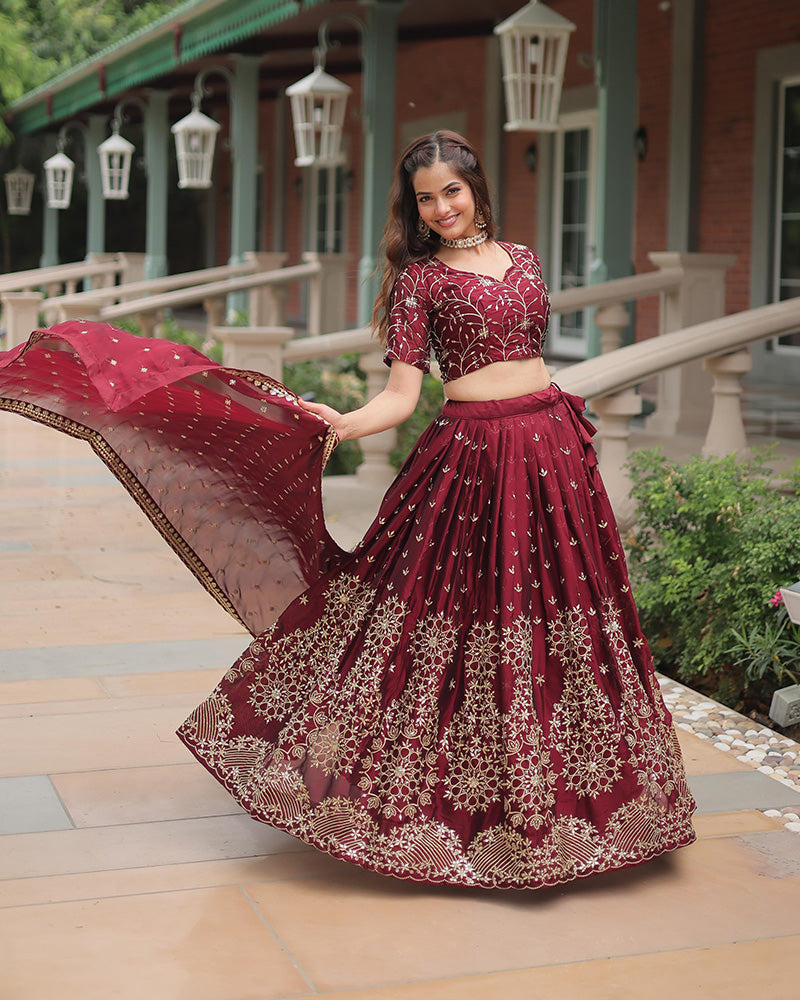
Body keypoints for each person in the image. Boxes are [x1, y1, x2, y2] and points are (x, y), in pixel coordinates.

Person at [0, 130, 695, 890]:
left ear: (475, 186)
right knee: (444, 627)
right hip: (474, 461)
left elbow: (533, 353)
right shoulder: (420, 284)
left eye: (451, 192)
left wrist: (557, 434)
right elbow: (402, 396)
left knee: (562, 621)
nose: (441, 209)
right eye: (425, 199)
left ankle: (584, 810)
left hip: (551, 451)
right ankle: (456, 814)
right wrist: (339, 421)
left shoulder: (525, 259)